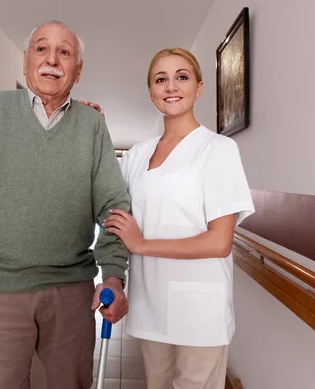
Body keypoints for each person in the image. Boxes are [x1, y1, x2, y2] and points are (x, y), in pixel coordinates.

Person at [0, 20, 130, 389]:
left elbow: (114, 206)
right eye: (41, 48)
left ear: (77, 71)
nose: (52, 59)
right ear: (26, 61)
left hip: (72, 291)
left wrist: (113, 274)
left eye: (65, 52)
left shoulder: (92, 126)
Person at [102, 48, 255, 389]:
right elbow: (102, 193)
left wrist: (141, 243)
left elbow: (220, 241)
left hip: (200, 313)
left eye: (181, 77)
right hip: (149, 304)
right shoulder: (137, 154)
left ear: (199, 88)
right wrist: (91, 131)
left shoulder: (217, 150)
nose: (171, 86)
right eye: (161, 79)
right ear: (151, 92)